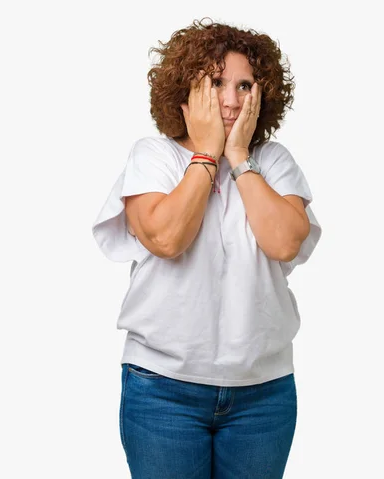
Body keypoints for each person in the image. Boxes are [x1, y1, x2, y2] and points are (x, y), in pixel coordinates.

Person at [92, 18, 322, 479]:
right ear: (187, 87)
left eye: (244, 85)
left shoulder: (273, 162)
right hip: (162, 391)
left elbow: (283, 242)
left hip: (262, 394)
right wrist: (206, 154)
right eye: (216, 83)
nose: (232, 100)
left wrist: (237, 157)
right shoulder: (153, 157)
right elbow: (166, 237)